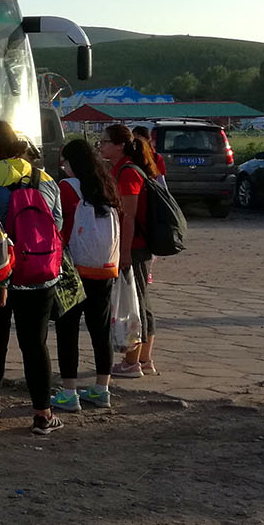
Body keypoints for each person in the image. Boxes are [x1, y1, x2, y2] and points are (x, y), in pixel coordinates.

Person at [0, 121, 64, 437]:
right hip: (40, 276)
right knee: (35, 344)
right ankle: (42, 415)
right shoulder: (45, 180)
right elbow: (56, 224)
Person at [53, 138, 120, 413]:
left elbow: (60, 226)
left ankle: (69, 392)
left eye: (65, 162)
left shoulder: (66, 188)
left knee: (67, 329)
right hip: (104, 267)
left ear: (72, 163)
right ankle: (101, 389)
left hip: (73, 267)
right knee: (100, 329)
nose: (63, 167)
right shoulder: (106, 186)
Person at [101, 124, 159, 378]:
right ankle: (143, 359)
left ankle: (132, 362)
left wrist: (123, 253)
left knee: (135, 303)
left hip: (134, 247)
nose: (100, 146)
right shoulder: (125, 169)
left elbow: (129, 217)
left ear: (120, 145)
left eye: (104, 142)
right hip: (136, 246)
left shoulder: (127, 173)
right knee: (141, 301)